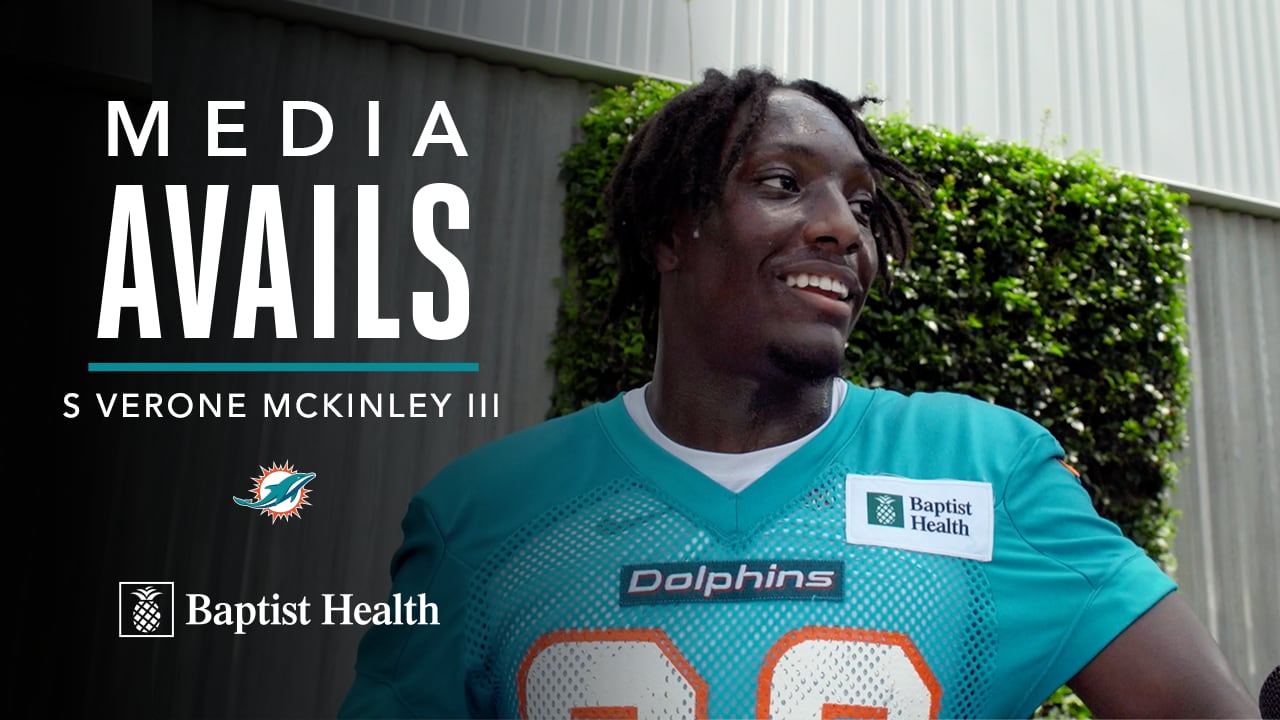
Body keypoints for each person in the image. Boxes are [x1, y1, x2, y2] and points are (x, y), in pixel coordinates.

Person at [339, 67, 1257, 719]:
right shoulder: (483, 515)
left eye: (862, 205)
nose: (840, 230)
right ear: (673, 232)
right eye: (783, 185)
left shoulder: (986, 471)